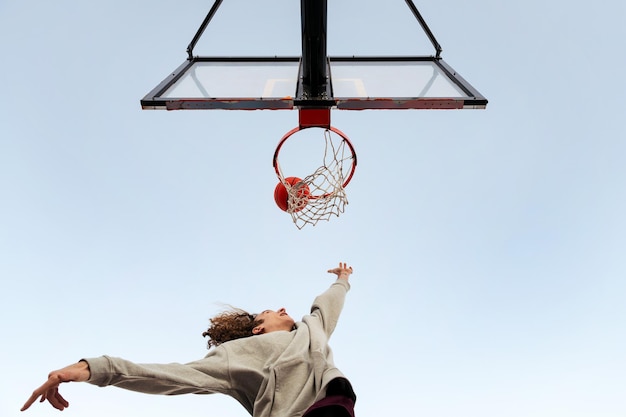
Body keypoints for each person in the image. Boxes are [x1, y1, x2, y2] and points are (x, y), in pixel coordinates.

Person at [21, 262, 357, 417]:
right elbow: (170, 376)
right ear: (258, 329)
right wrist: (90, 369)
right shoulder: (237, 354)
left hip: (334, 407)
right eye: (269, 310)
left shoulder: (311, 332)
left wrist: (342, 279)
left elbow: (326, 305)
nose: (283, 308)